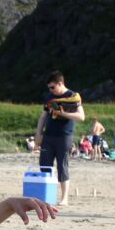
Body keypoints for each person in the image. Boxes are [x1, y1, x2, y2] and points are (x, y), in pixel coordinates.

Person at [34, 71, 84, 205]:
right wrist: (38, 134)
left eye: (52, 87)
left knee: (62, 165)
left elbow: (81, 117)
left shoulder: (73, 96)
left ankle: (64, 198)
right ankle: (46, 196)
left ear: (60, 83)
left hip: (64, 136)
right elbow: (43, 117)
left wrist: (64, 113)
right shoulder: (49, 97)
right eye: (49, 88)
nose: (50, 90)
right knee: (45, 165)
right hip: (48, 136)